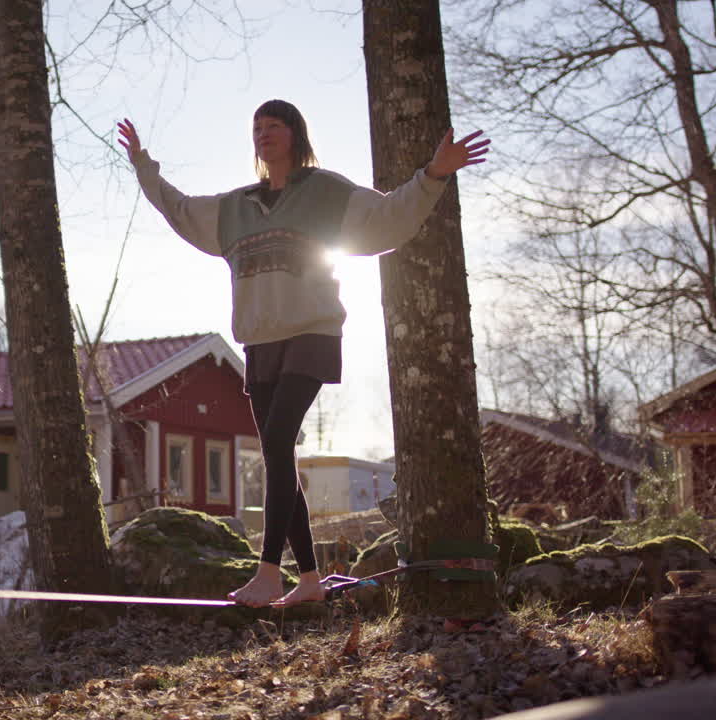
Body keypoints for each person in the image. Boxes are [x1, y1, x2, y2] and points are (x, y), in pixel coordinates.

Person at [117, 100, 489, 608]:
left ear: (295, 134)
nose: (263, 134)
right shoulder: (235, 208)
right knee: (278, 454)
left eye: (273, 126)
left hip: (312, 334)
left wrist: (433, 175)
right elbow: (178, 208)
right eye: (256, 128)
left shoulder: (324, 191)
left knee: (273, 441)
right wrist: (143, 165)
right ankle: (310, 580)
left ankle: (269, 571)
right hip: (260, 342)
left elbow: (387, 217)